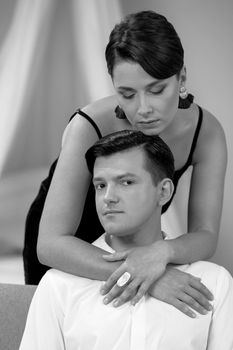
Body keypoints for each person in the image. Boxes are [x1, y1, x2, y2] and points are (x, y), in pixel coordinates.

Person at [23, 10, 227, 317]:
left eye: (157, 90)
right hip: (68, 247)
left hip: (133, 246)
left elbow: (206, 234)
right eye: (127, 94)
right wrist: (142, 272)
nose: (143, 109)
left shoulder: (206, 133)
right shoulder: (88, 125)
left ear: (181, 78)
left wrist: (160, 254)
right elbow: (50, 243)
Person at [20, 131, 233, 350]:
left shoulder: (212, 282)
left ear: (164, 191)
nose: (108, 197)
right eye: (100, 185)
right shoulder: (59, 284)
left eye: (126, 182)